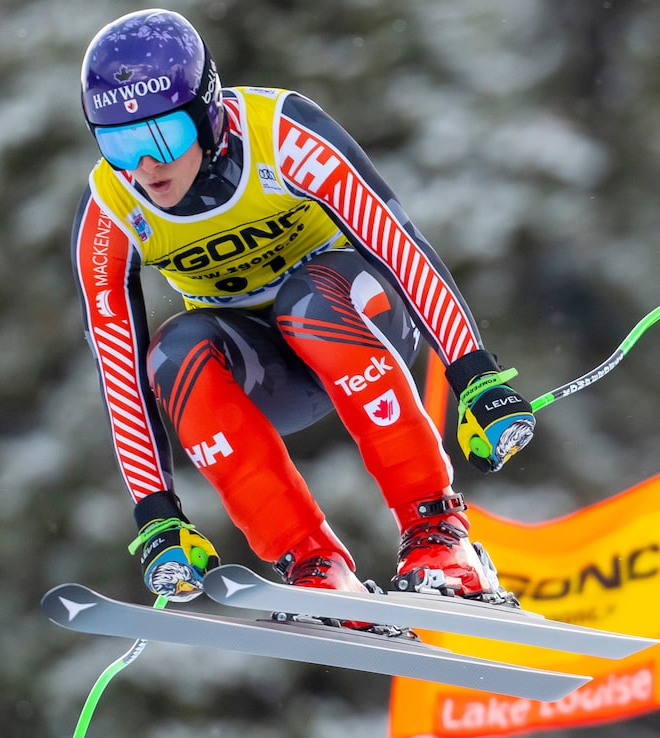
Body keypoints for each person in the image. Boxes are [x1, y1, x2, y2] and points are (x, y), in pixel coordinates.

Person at [70, 9, 535, 622]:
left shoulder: (281, 135)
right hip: (268, 374)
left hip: (360, 319)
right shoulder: (109, 210)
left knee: (307, 300)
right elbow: (119, 368)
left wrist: (473, 373)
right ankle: (313, 563)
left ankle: (438, 532)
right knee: (172, 352)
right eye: (118, 142)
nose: (145, 166)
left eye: (162, 138)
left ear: (207, 115)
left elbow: (397, 245)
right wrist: (156, 515)